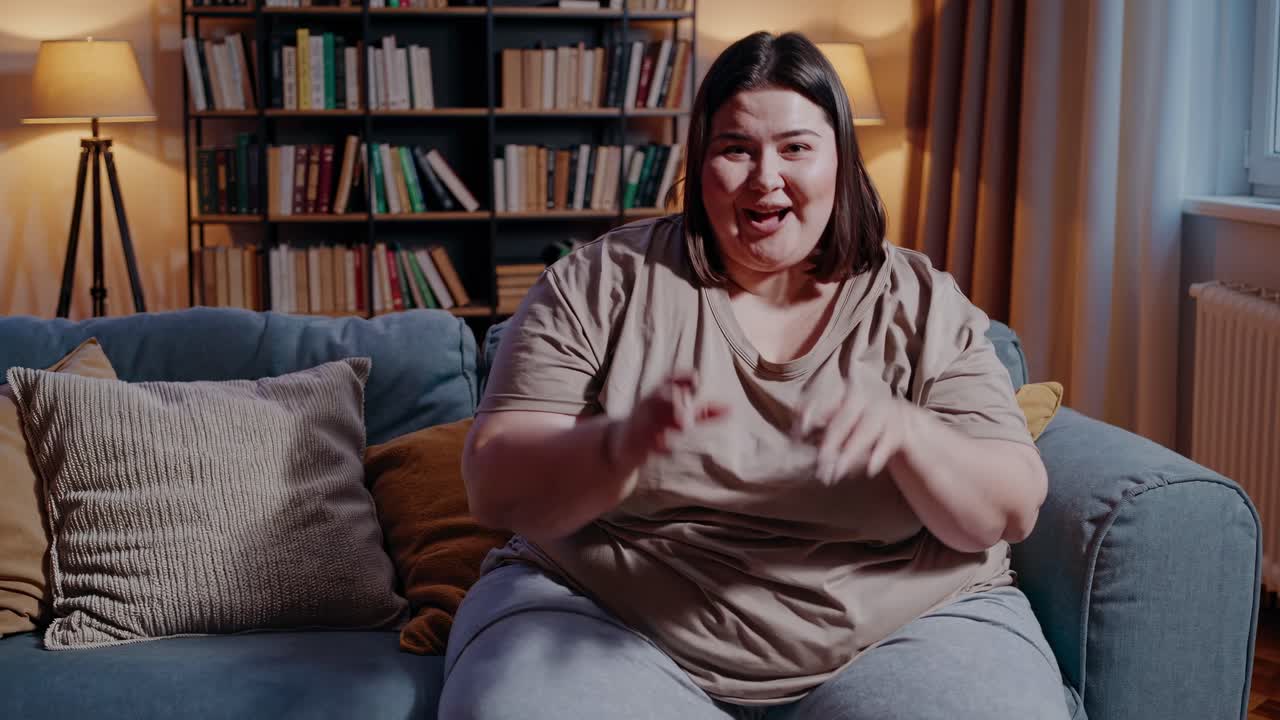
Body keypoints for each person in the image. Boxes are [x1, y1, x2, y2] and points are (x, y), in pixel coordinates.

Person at [442, 31, 1078, 720]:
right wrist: (617, 447)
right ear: (700, 163)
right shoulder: (598, 282)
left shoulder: (922, 299)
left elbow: (1011, 507)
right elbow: (494, 488)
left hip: (905, 628)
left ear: (841, 159)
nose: (765, 177)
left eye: (796, 147)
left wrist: (909, 433)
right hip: (610, 617)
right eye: (736, 149)